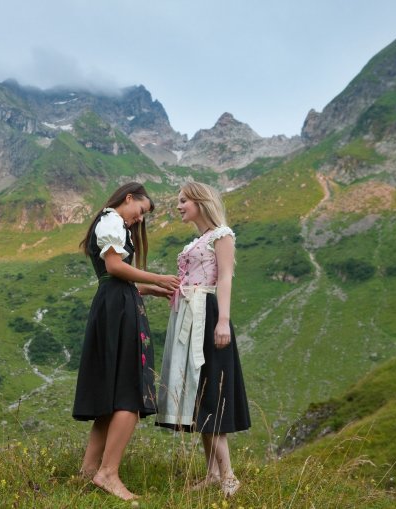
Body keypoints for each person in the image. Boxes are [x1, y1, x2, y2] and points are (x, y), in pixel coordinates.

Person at [72, 182, 181, 501]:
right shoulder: (111, 221)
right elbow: (114, 267)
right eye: (142, 210)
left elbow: (115, 279)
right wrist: (158, 278)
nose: (140, 219)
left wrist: (153, 290)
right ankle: (108, 473)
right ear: (129, 198)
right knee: (129, 395)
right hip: (119, 311)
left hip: (114, 305)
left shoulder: (110, 223)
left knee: (113, 395)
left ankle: (89, 472)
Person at [155, 181, 251, 497]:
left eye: (184, 200)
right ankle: (211, 473)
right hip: (190, 315)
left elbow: (224, 278)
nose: (179, 206)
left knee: (210, 392)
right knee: (198, 392)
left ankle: (229, 476)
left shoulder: (222, 235)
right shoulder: (200, 240)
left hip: (208, 315)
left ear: (200, 201)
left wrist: (222, 321)